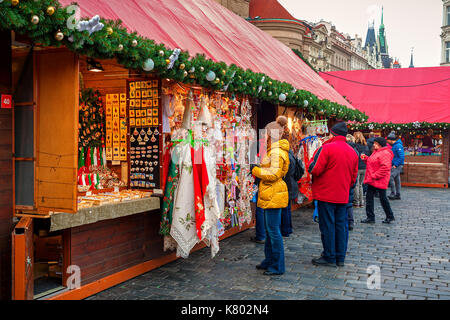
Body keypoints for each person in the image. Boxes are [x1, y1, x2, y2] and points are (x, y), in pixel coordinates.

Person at [308, 122, 359, 267]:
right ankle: (340, 257)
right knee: (341, 226)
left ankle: (330, 256)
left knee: (328, 226)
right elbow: (353, 178)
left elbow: (314, 168)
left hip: (326, 194)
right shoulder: (352, 151)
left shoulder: (326, 148)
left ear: (332, 134)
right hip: (342, 195)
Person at [252, 116, 290, 276]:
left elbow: (273, 173)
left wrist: (255, 170)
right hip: (271, 192)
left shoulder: (276, 151)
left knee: (273, 231)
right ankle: (269, 260)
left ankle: (278, 265)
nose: (264, 136)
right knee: (270, 230)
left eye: (266, 133)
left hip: (274, 192)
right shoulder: (273, 150)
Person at [361, 137, 395, 224]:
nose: (373, 144)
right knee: (370, 198)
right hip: (374, 179)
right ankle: (371, 217)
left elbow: (385, 168)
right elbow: (373, 163)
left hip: (379, 179)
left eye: (375, 143)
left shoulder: (384, 153)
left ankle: (389, 216)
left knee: (383, 199)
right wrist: (366, 159)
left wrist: (374, 175)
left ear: (379, 144)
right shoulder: (377, 152)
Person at [281, 136, 304, 237]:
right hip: (292, 185)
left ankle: (286, 230)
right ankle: (288, 228)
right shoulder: (291, 155)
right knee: (287, 209)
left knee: (285, 209)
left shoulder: (286, 157)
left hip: (288, 185)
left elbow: (286, 173)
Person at [353, 132, 370, 207]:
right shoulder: (366, 146)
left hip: (357, 167)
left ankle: (357, 202)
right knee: (360, 185)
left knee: (356, 185)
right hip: (364, 167)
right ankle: (361, 202)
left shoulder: (355, 146)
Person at [346, 134, 359, 231]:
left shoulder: (348, 151)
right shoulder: (355, 151)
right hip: (351, 179)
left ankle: (349, 221)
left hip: (347, 179)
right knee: (348, 203)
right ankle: (350, 221)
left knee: (346, 203)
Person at [386, 132, 405, 200]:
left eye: (388, 140)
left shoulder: (397, 146)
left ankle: (393, 193)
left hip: (397, 165)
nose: (387, 142)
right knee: (397, 179)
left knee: (390, 177)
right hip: (396, 164)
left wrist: (395, 165)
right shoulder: (395, 145)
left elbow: (401, 157)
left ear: (391, 140)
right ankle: (397, 194)